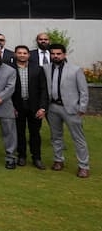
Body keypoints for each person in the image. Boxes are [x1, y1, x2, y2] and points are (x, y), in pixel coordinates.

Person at [45, 43, 90, 178]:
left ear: (64, 54)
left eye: (58, 54)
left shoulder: (75, 70)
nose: (56, 56)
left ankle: (84, 166)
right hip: (52, 108)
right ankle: (58, 160)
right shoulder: (46, 68)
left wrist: (82, 107)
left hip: (71, 109)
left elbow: (83, 91)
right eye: (53, 54)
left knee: (78, 138)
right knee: (56, 136)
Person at [11, 45, 48, 169]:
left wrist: (43, 108)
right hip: (17, 106)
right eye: (19, 53)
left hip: (34, 107)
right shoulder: (10, 69)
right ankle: (21, 156)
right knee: (19, 133)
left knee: (35, 133)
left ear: (29, 55)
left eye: (24, 53)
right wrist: (11, 107)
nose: (22, 55)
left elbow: (43, 89)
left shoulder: (38, 69)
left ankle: (36, 158)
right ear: (15, 54)